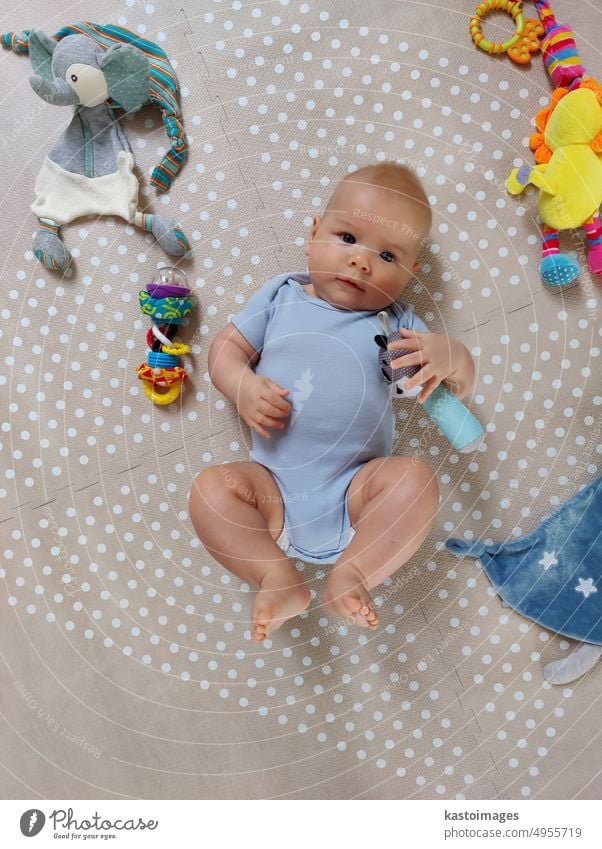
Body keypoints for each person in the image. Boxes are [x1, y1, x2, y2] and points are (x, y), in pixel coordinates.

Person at [189, 163, 476, 642]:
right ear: (314, 233)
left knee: (416, 479)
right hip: (271, 495)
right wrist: (241, 386)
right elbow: (225, 350)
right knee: (210, 492)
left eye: (387, 254)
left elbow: (454, 388)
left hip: (357, 497)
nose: (362, 262)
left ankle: (356, 570)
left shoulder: (398, 323)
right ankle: (274, 575)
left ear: (409, 273)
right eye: (347, 238)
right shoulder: (282, 295)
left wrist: (455, 357)